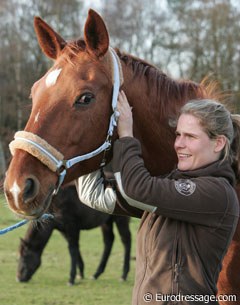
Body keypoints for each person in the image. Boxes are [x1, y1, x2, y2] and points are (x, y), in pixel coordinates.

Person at [75, 91, 240, 305]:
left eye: (190, 136)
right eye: (178, 135)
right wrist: (88, 135)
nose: (179, 144)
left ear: (218, 144)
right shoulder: (169, 191)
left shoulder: (216, 193)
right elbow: (95, 194)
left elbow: (136, 189)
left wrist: (126, 134)